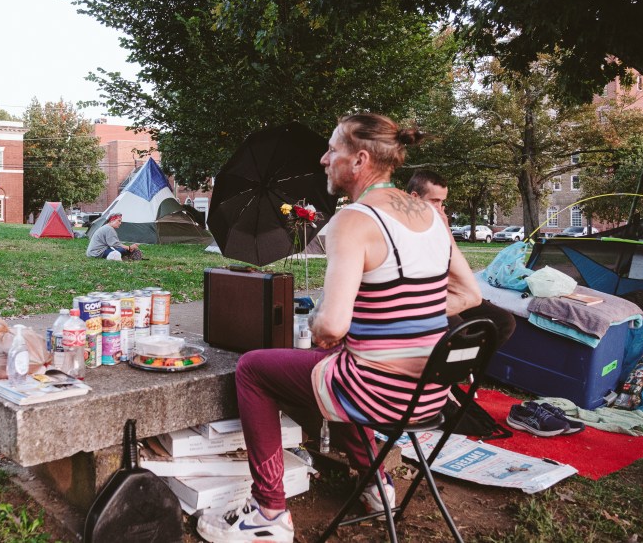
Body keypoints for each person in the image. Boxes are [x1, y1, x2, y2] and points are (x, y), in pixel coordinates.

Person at [196, 114, 482, 543]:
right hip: (429, 395)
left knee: (254, 369)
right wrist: (397, 317)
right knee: (344, 361)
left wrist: (315, 320)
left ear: (359, 159)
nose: (324, 158)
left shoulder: (352, 221)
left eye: (333, 150)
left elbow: (331, 326)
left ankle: (270, 511)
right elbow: (469, 294)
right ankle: (376, 484)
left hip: (380, 394)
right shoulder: (429, 213)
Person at [406, 170, 517, 346]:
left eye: (442, 202)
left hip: (443, 291)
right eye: (434, 201)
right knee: (457, 328)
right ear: (414, 198)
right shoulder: (400, 227)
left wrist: (446, 231)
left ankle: (469, 365)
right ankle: (451, 365)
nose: (439, 208)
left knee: (503, 321)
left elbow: (458, 267)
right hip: (415, 297)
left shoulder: (437, 225)